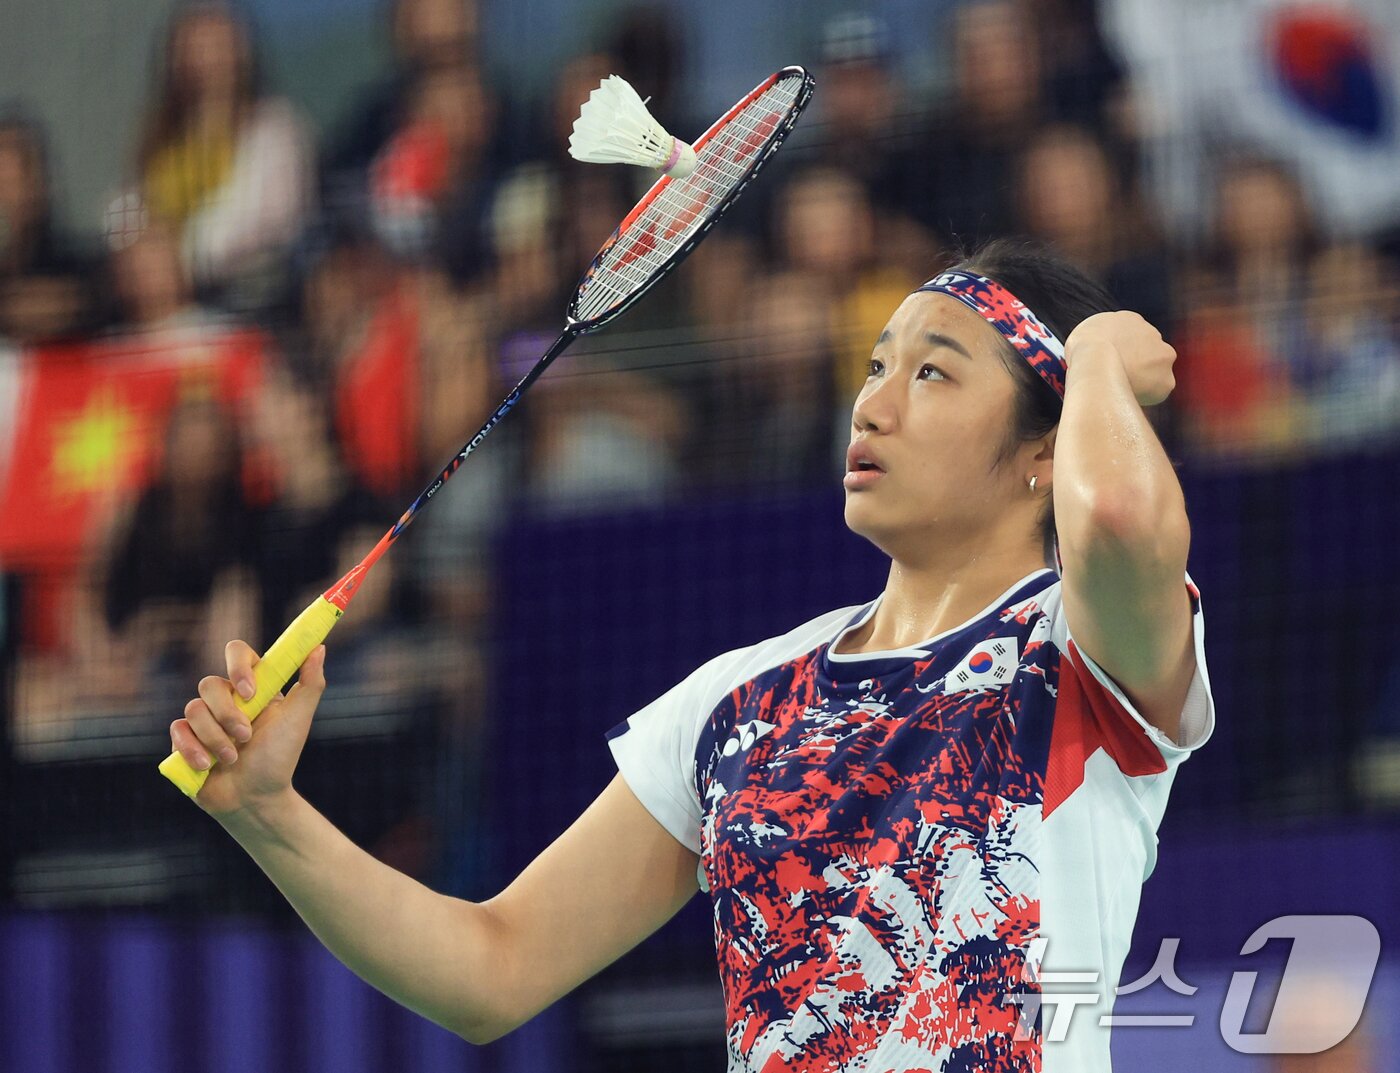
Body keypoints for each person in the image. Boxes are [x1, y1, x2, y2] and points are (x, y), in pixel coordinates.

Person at [168, 240, 1215, 1070]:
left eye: (932, 372)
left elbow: (1119, 513)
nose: (873, 402)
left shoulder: (1074, 656)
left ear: (1043, 448)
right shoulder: (735, 701)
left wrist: (1094, 361)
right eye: (874, 364)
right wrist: (267, 810)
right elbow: (490, 966)